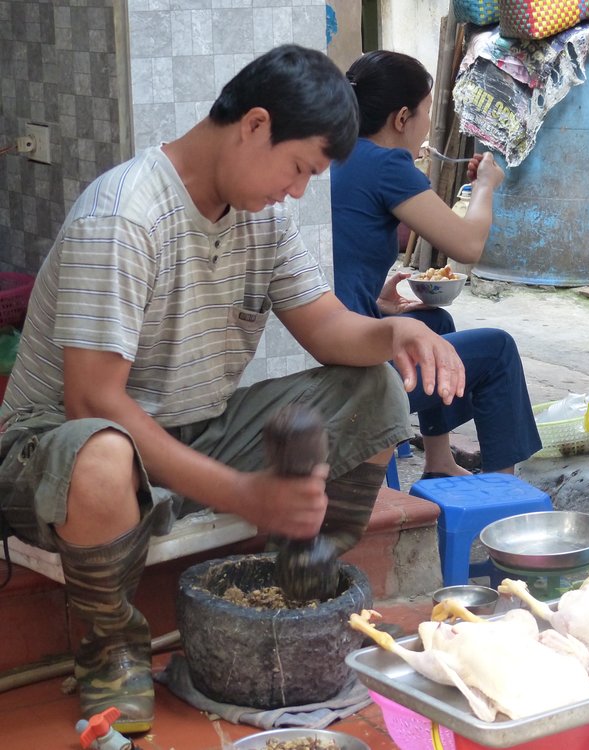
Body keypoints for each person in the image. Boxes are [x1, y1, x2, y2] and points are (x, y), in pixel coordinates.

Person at [0, 44, 464, 734]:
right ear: (253, 125)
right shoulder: (124, 215)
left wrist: (394, 335)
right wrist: (244, 493)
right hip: (55, 452)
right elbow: (93, 403)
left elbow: (328, 328)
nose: (298, 190)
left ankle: (305, 583)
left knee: (375, 391)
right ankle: (112, 648)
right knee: (103, 452)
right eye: (300, 168)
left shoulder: (262, 217)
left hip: (193, 432)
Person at [330, 50, 541, 478]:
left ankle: (440, 463)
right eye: (426, 112)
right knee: (498, 348)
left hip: (333, 336)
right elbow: (467, 245)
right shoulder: (387, 164)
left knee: (436, 324)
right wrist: (485, 187)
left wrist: (377, 302)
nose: (428, 123)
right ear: (401, 118)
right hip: (349, 368)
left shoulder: (338, 156)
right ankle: (502, 492)